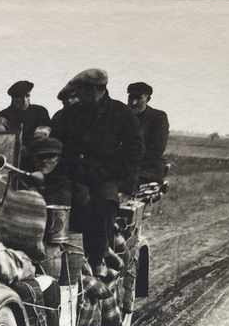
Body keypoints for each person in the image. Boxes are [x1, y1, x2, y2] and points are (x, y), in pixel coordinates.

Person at [51, 68, 143, 268]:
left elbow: (134, 151)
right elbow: (55, 143)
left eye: (83, 91)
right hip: (73, 174)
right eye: (79, 91)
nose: (79, 95)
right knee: (55, 206)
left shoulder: (121, 113)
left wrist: (125, 186)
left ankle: (99, 259)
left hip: (107, 176)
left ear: (98, 90)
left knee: (103, 205)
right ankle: (60, 258)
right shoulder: (70, 114)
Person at [126, 81, 170, 184]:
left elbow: (156, 149)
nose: (133, 102)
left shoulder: (158, 117)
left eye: (138, 98)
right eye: (131, 97)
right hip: (122, 166)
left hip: (147, 168)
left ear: (148, 99)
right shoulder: (120, 115)